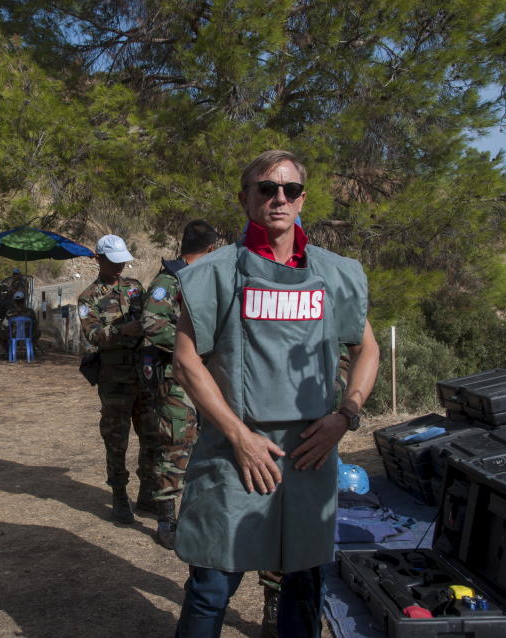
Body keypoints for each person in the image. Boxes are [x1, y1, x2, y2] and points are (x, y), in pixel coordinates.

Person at [171, 150, 380, 637]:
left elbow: (367, 349)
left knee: (304, 582)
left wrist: (344, 416)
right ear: (246, 198)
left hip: (311, 451)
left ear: (302, 198)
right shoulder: (213, 274)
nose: (279, 198)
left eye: (289, 189)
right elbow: (186, 362)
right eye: (267, 188)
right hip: (234, 451)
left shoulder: (337, 273)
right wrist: (239, 437)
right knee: (212, 584)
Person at [140, 219, 218, 550]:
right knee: (175, 444)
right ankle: (166, 518)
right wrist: (193, 346)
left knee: (191, 443)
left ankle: (175, 506)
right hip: (174, 378)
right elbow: (152, 323)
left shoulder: (197, 279)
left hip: (196, 376)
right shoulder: (170, 280)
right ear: (210, 249)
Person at [78, 234, 159, 523]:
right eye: (113, 261)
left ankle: (148, 494)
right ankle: (119, 496)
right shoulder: (89, 297)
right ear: (98, 259)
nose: (120, 267)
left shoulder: (135, 288)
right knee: (116, 440)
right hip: (114, 380)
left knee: (151, 436)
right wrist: (125, 331)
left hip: (144, 377)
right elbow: (93, 334)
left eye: (122, 261)